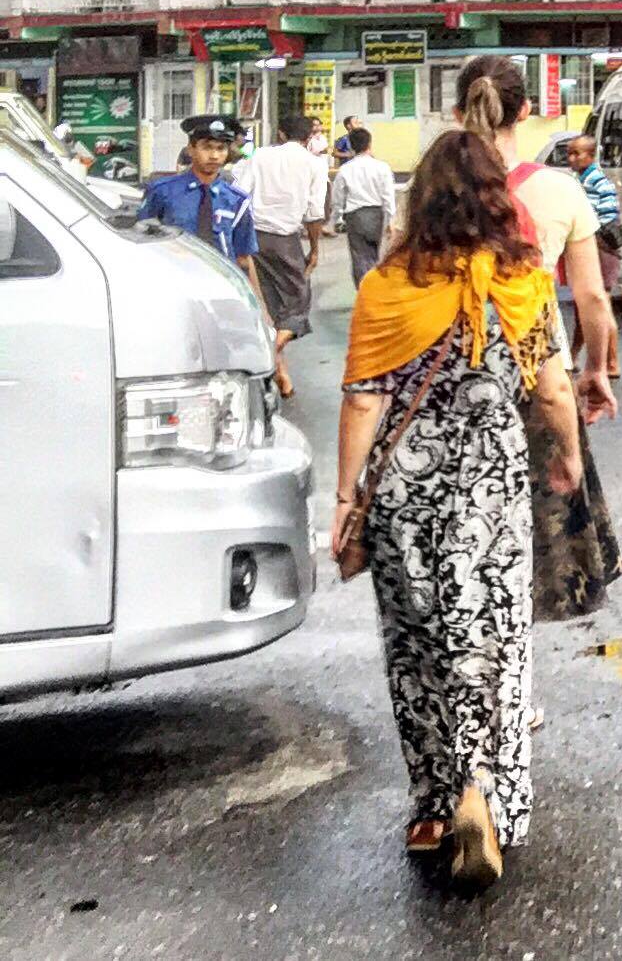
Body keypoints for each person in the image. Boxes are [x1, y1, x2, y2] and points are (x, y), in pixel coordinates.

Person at [335, 128, 584, 891]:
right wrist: (568, 454)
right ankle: (492, 794)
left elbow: (362, 400)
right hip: (491, 489)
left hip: (406, 495)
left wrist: (346, 500)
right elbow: (549, 387)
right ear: (497, 200)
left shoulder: (387, 285)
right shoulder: (524, 283)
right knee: (495, 643)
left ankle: (436, 806)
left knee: (420, 649)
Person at [457, 55, 622, 623]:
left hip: (453, 377)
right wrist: (595, 369)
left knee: (465, 539)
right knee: (538, 546)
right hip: (536, 372)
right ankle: (518, 686)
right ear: (525, 111)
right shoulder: (560, 190)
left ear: (458, 111)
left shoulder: (435, 191)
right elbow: (593, 298)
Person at [138, 115, 272, 331]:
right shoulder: (163, 192)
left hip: (221, 291)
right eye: (206, 147)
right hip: (174, 289)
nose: (214, 155)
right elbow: (142, 242)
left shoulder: (236, 201)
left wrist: (260, 307)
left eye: (221, 148)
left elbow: (244, 258)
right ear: (191, 149)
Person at [232, 112, 328, 399]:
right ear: (309, 137)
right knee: (298, 304)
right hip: (286, 239)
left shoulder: (260, 156)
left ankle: (281, 374)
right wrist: (314, 249)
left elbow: (239, 194)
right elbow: (315, 213)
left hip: (252, 237)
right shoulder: (315, 164)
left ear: (281, 134)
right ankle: (270, 351)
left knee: (267, 306)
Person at [564, 130, 622, 322]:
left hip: (601, 247)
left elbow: (607, 217)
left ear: (590, 156)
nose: (571, 158)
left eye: (577, 154)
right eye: (569, 153)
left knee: (600, 301)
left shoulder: (597, 181)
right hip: (592, 245)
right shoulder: (581, 180)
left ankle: (605, 350)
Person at [331, 126, 396, 287]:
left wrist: (336, 218)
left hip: (355, 216)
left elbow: (338, 198)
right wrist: (390, 221)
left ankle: (363, 290)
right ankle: (375, 288)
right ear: (370, 144)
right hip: (377, 214)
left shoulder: (345, 169)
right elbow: (388, 196)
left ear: (351, 146)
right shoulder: (382, 167)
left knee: (359, 256)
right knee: (375, 253)